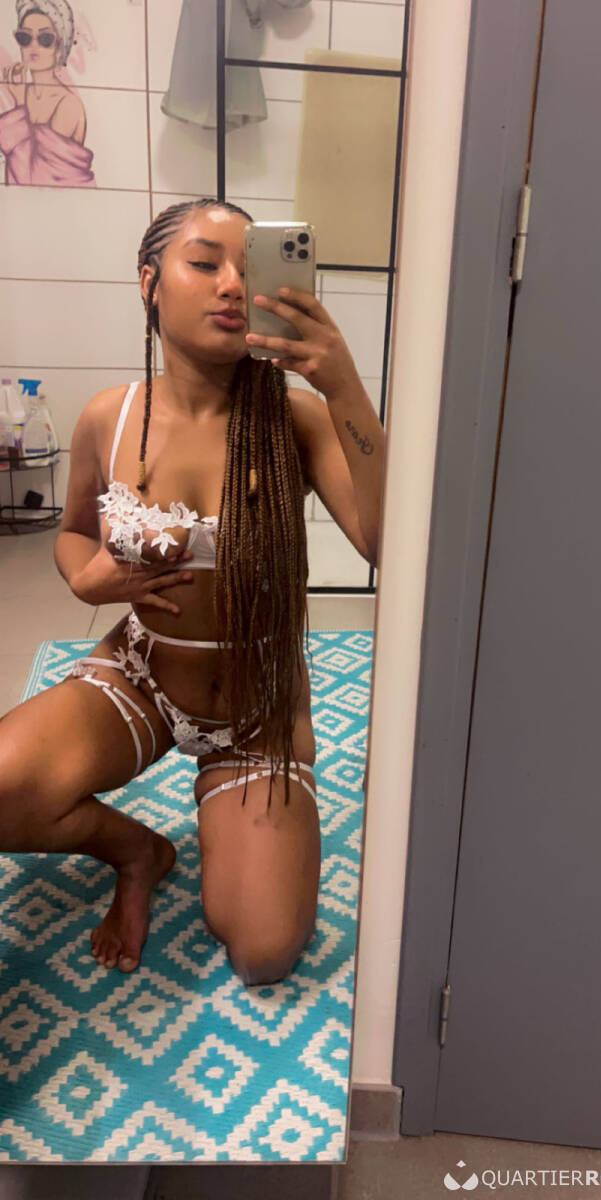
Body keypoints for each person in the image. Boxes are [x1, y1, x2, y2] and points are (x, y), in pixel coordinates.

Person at [0, 197, 384, 985]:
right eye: (205, 263)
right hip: (142, 674)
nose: (233, 284)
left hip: (257, 707)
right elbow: (72, 533)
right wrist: (87, 579)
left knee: (262, 951)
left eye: (249, 268)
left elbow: (386, 543)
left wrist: (342, 381)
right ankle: (138, 853)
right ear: (149, 282)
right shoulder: (110, 416)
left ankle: (228, 814)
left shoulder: (297, 418)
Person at [0, 0, 95, 187]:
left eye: (45, 39)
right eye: (25, 37)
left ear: (60, 47)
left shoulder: (68, 105)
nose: (33, 46)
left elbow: (34, 180)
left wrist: (19, 105)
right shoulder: (21, 91)